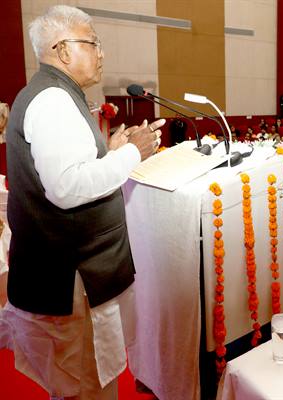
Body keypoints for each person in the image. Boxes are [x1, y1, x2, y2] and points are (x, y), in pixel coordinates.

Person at [1, 6, 165, 399]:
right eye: (93, 43)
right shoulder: (53, 100)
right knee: (87, 386)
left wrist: (109, 152)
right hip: (71, 274)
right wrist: (132, 154)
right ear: (62, 50)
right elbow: (67, 187)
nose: (101, 53)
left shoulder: (52, 92)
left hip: (70, 271)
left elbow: (65, 169)